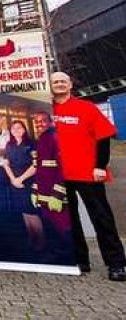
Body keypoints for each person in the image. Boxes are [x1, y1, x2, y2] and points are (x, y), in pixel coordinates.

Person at [51, 71, 125, 281]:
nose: (59, 85)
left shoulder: (86, 108)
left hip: (87, 173)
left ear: (70, 84)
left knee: (101, 218)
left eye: (62, 81)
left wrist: (100, 166)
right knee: (69, 219)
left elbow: (103, 137)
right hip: (60, 175)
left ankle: (116, 264)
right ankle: (80, 261)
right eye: (55, 82)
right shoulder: (46, 111)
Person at [31, 111, 73, 260]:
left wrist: (58, 194)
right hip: (43, 194)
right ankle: (56, 255)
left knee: (63, 227)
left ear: (51, 122)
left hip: (54, 195)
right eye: (36, 122)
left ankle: (69, 257)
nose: (39, 124)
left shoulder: (55, 138)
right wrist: (35, 190)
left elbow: (64, 168)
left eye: (42, 121)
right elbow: (40, 168)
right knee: (50, 227)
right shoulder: (42, 139)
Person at [2, 120, 46, 252]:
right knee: (24, 213)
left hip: (29, 182)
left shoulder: (32, 144)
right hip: (15, 182)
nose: (16, 130)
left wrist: (21, 179)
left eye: (19, 127)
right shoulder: (9, 145)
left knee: (32, 212)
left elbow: (35, 165)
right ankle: (32, 239)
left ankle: (41, 242)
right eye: (13, 128)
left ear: (24, 129)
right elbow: (6, 164)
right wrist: (13, 179)